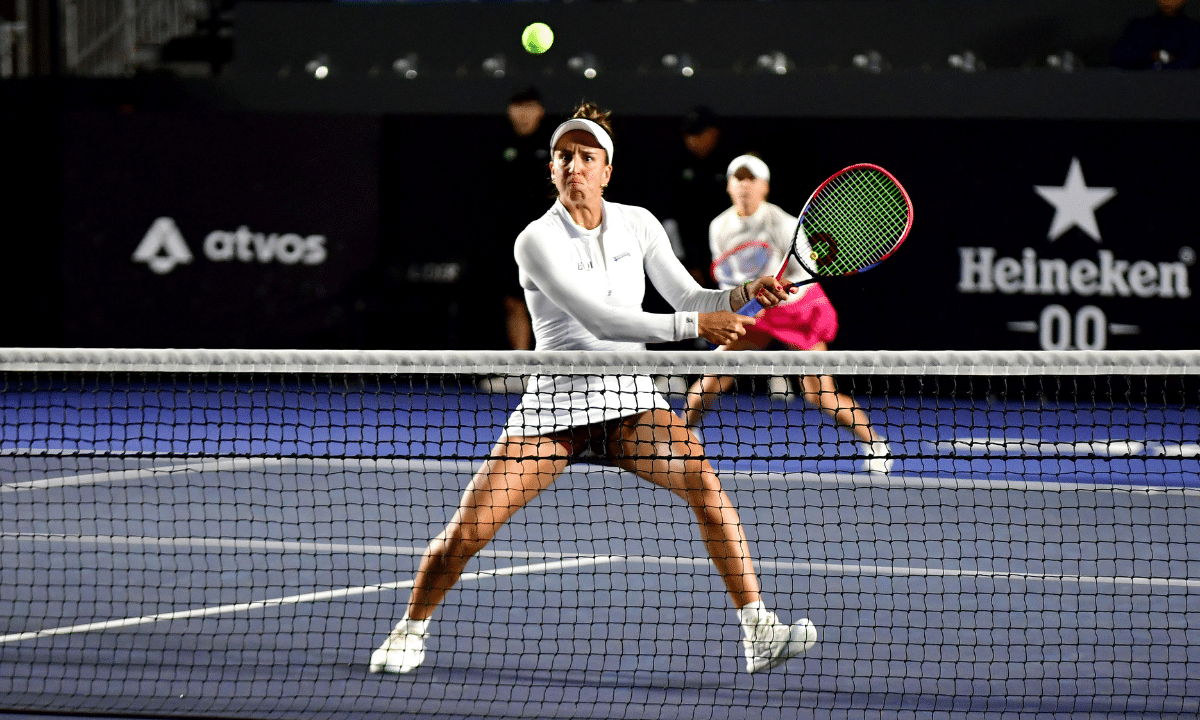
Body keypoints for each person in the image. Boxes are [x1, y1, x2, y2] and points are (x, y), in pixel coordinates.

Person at [370, 104, 817, 677]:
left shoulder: (640, 224)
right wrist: (693, 329)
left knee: (706, 485)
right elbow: (602, 322)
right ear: (551, 171)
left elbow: (689, 297)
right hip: (554, 410)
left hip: (630, 404)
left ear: (607, 169)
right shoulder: (535, 240)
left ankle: (759, 632)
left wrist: (738, 295)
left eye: (587, 157)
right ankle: (410, 629)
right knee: (470, 529)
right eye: (564, 157)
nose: (575, 166)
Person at [681, 155, 893, 476]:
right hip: (756, 313)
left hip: (798, 309)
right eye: (738, 179)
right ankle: (684, 438)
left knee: (819, 393)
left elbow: (806, 271)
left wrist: (779, 290)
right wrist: (749, 298)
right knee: (711, 380)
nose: (744, 186)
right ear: (728, 185)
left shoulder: (784, 224)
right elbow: (728, 277)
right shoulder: (719, 228)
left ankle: (876, 444)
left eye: (751, 179)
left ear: (764, 187)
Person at [1111, 0, 1200, 70]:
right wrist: (1152, 56)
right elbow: (1119, 56)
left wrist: (1167, 62)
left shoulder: (1194, 30)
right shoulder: (1139, 27)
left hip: (1183, 87)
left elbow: (1191, 62)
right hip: (1139, 85)